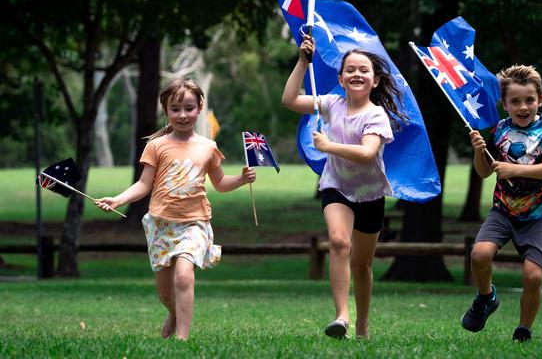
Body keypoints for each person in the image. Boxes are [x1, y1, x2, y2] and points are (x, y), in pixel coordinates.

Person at [95, 78, 256, 340]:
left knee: (184, 276)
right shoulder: (156, 146)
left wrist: (241, 179)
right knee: (166, 294)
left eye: (189, 108)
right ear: (166, 110)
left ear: (200, 107)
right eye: (176, 109)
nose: (183, 115)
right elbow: (143, 184)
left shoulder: (208, 147)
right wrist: (117, 199)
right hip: (161, 225)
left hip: (195, 223)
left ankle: (183, 337)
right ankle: (173, 312)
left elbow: (221, 183)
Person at [282, 35, 407, 340]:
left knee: (362, 265)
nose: (356, 74)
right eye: (350, 69)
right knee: (339, 242)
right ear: (340, 79)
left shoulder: (376, 115)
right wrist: (302, 61)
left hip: (370, 193)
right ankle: (342, 316)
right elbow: (289, 100)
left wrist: (329, 145)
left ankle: (362, 326)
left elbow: (366, 154)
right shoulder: (331, 103)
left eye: (363, 70)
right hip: (336, 186)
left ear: (375, 81)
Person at [461, 64, 542, 341]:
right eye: (515, 101)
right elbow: (485, 171)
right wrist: (478, 152)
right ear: (505, 104)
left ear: (540, 100)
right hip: (503, 211)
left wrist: (515, 170)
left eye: (529, 100)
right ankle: (486, 297)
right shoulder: (499, 130)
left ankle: (523, 329)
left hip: (539, 215)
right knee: (479, 255)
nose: (523, 107)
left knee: (533, 277)